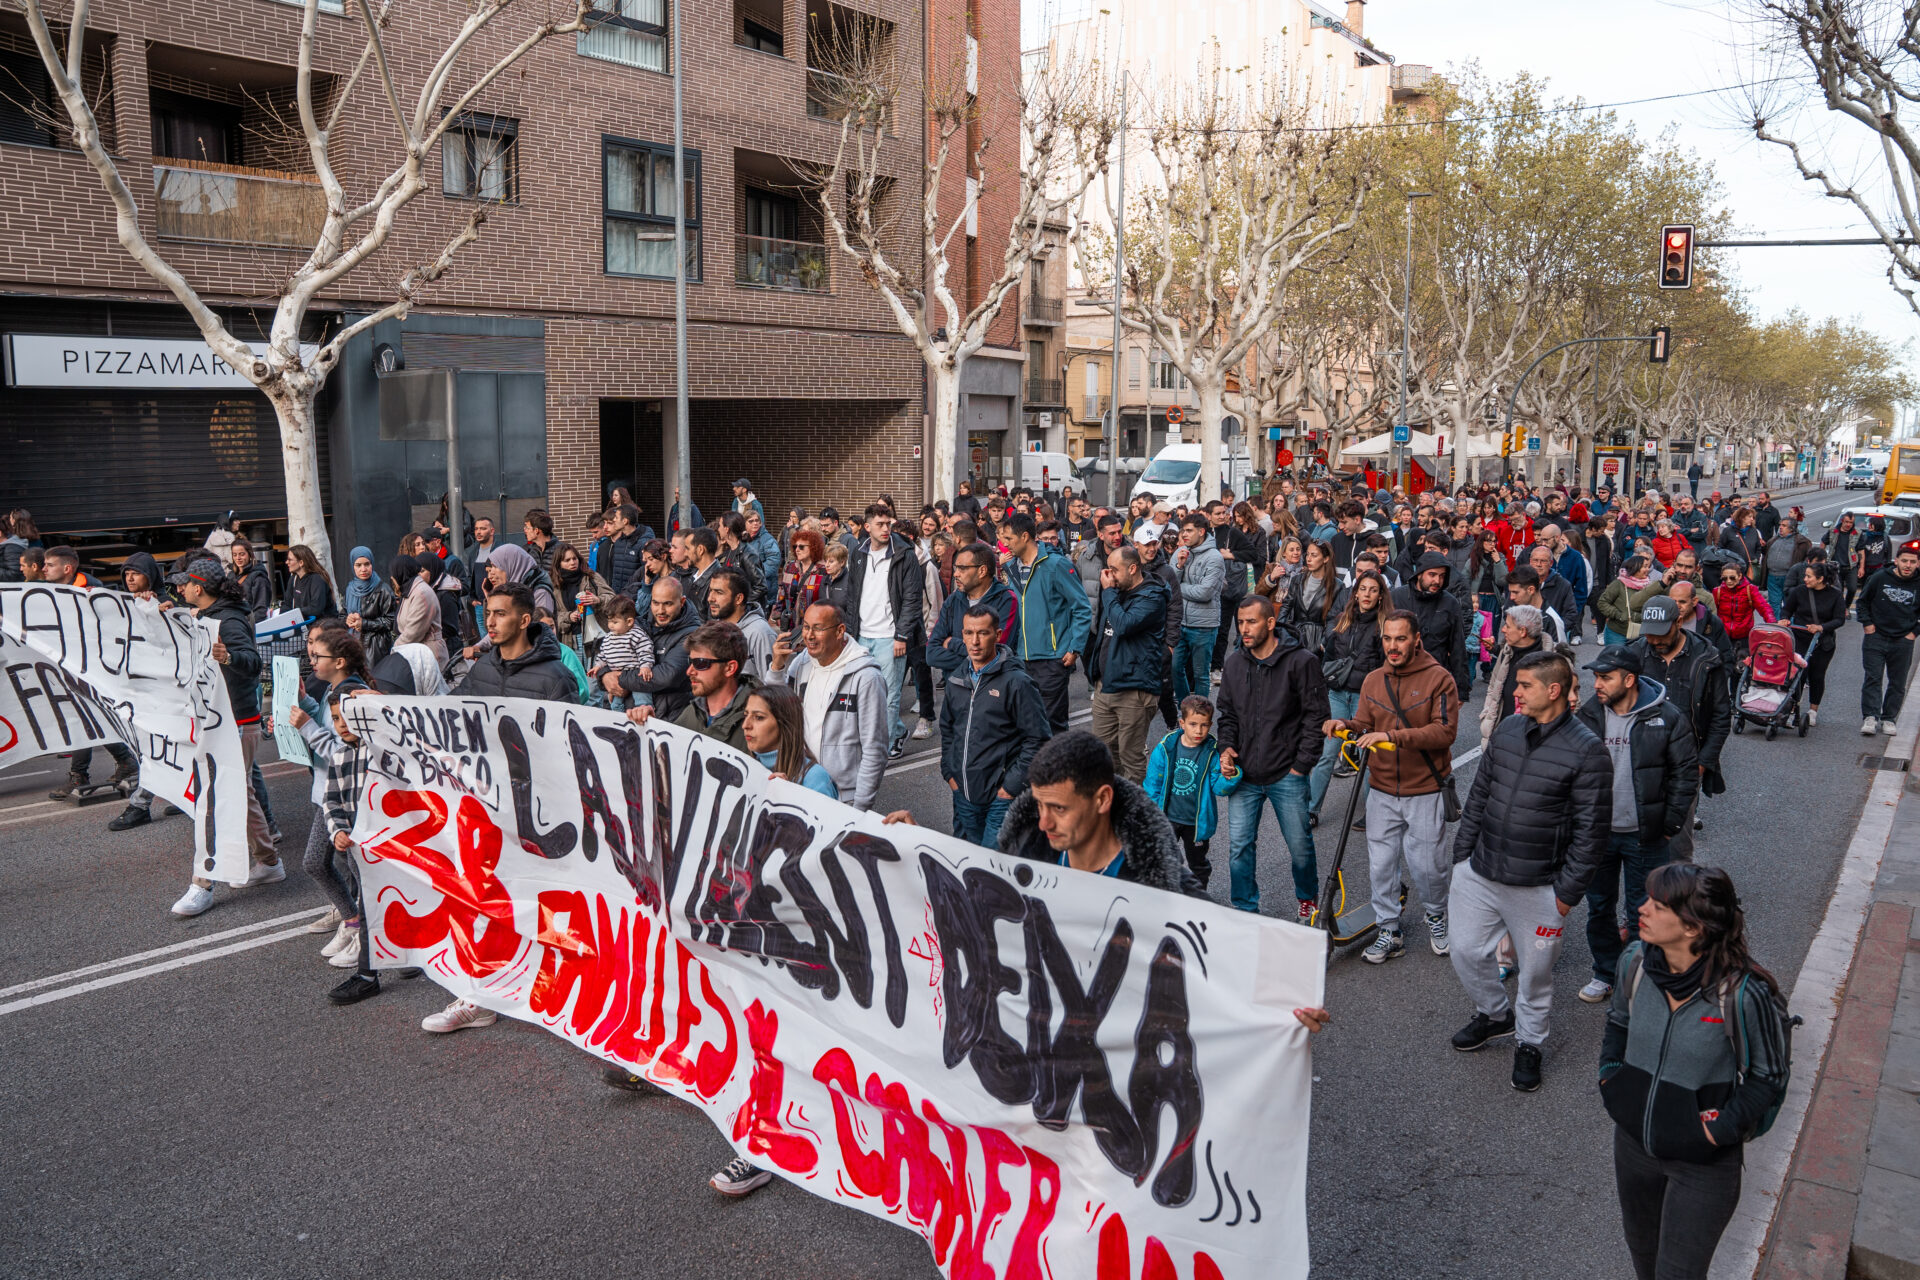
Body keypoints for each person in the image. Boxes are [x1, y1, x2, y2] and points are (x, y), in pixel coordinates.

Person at [1601, 864, 1791, 1280]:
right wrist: (1611, 1079)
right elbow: (1618, 1022)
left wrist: (1719, 1130)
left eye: (1657, 904)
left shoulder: (1743, 993)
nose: (1642, 908)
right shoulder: (1634, 961)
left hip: (1702, 1165)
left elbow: (1769, 1076)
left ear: (1691, 927)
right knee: (1645, 1265)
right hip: (1634, 1148)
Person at [1449, 651, 1611, 1091]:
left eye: (1524, 686)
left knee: (1536, 977)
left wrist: (1565, 895)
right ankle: (1496, 1015)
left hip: (1540, 888)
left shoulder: (1588, 750)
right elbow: (1479, 794)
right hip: (1480, 873)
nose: (1514, 693)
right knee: (1464, 951)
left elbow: (1591, 832)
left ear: (1553, 690)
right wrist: (1462, 857)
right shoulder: (1507, 729)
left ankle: (1530, 1042)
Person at [1331, 609, 1462, 963]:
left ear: (1416, 639)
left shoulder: (1439, 679)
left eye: (1400, 638)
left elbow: (1444, 732)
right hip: (1382, 789)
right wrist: (1344, 724)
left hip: (1425, 790)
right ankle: (1389, 929)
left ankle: (1436, 916)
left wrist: (1391, 736)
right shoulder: (1374, 679)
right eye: (1387, 638)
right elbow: (1363, 722)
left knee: (1428, 866)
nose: (1392, 646)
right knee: (1381, 865)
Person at [1575, 646, 1699, 1005]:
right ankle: (1605, 972)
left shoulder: (1666, 717)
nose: (1597, 684)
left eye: (1605, 677)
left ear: (1628, 680)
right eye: (1596, 676)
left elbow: (1684, 775)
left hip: (1646, 835)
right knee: (1599, 906)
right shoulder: (1589, 715)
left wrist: (1670, 824)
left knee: (1643, 910)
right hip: (1598, 834)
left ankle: (1641, 976)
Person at [164, 563, 284, 917]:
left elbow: (252, 663)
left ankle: (203, 881)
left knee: (216, 798)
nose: (179, 590)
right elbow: (175, 607)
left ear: (199, 588)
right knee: (239, 793)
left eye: (184, 585)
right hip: (222, 720)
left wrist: (229, 656)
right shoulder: (208, 613)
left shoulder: (228, 622)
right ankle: (268, 862)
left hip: (236, 721)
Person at [1218, 596, 1329, 921]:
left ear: (1270, 623)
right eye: (1240, 622)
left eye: (1251, 622)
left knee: (1300, 848)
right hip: (1245, 774)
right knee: (1239, 847)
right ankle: (1244, 908)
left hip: (1286, 774)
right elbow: (1227, 714)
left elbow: (1316, 717)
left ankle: (1307, 900)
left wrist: (1300, 767)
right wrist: (1226, 748)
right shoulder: (1235, 663)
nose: (1244, 629)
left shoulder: (1302, 662)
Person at [996, 730, 1200, 895]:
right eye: (1039, 805)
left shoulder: (1173, 893)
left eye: (1059, 808)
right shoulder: (1021, 853)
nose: (1044, 824)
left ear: (1102, 799)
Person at [939, 605, 1052, 847]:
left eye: (983, 633)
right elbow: (948, 729)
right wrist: (949, 773)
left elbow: (1038, 739)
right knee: (968, 862)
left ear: (998, 635)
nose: (975, 641)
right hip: (964, 796)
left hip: (1001, 799)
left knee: (995, 866)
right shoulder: (957, 679)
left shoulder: (1018, 683)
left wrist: (1010, 788)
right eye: (968, 633)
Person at [769, 603, 890, 810]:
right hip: (802, 790)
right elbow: (774, 711)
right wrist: (777, 667)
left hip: (844, 800)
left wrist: (859, 808)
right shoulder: (800, 665)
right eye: (806, 627)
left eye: (818, 628)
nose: (809, 635)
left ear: (840, 631)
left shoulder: (866, 677)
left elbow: (874, 749)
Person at [1307, 570, 1389, 824]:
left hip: (1367, 699)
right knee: (1327, 754)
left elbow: (1387, 666)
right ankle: (1311, 810)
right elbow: (1329, 657)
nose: (1367, 594)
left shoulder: (1385, 625)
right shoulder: (1342, 620)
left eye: (1373, 590)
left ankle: (1372, 814)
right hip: (1338, 695)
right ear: (1355, 592)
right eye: (1363, 589)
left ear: (1380, 596)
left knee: (1367, 758)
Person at [1086, 543, 1171, 784]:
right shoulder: (1117, 591)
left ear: (1133, 568)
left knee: (1130, 757)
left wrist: (1108, 593)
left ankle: (1135, 810)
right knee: (1104, 753)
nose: (1109, 575)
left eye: (1114, 569)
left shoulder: (1152, 596)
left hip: (1135, 688)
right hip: (1106, 685)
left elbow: (1123, 625)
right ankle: (1114, 804)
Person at [1001, 511, 1091, 734]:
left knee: (1052, 724)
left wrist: (1075, 647)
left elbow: (1081, 607)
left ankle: (1059, 767)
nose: (1005, 545)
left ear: (1024, 537)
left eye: (1009, 539)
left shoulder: (1056, 564)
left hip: (1052, 658)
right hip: (1021, 657)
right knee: (1026, 723)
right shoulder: (1012, 567)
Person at [847, 504, 923, 756]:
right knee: (863, 693)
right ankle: (897, 731)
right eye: (879, 524)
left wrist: (902, 635)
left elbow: (912, 598)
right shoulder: (857, 553)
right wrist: (849, 634)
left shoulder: (904, 554)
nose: (885, 529)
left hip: (890, 637)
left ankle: (887, 745)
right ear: (867, 527)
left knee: (890, 697)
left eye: (888, 523)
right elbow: (852, 596)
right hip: (861, 636)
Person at [1144, 695, 1239, 888]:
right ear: (1182, 723)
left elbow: (1218, 788)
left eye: (1204, 725)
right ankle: (1166, 895)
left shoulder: (1212, 752)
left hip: (1196, 823)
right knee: (1164, 858)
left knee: (1198, 864)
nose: (1199, 730)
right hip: (1167, 817)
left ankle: (1197, 897)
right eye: (1193, 724)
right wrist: (1153, 815)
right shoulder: (1166, 747)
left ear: (1210, 724)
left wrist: (1231, 775)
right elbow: (1152, 784)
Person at [629, 621, 758, 750]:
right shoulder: (692, 712)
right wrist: (653, 725)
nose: (689, 671)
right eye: (690, 661)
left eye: (700, 663)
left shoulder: (760, 720)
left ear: (730, 668)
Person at [451, 582, 579, 702]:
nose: (490, 622)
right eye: (488, 613)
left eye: (500, 614)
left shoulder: (557, 679)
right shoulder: (481, 668)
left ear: (524, 621)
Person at [1857, 538, 1920, 735]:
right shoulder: (1880, 577)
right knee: (1873, 678)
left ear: (1918, 563)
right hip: (1876, 636)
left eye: (1912, 562)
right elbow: (1862, 602)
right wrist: (1868, 624)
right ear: (1897, 560)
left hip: (1903, 640)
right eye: (1904, 561)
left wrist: (1913, 633)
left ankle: (1889, 718)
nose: (1908, 566)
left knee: (1898, 681)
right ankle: (1870, 717)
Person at [613, 578, 701, 719]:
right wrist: (604, 674)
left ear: (682, 602)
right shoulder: (639, 624)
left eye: (668, 604)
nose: (661, 611)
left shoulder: (692, 634)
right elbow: (609, 647)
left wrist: (619, 678)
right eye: (656, 603)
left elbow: (667, 675)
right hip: (629, 715)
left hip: (667, 718)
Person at [927, 541, 1016, 674]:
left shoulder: (1006, 599)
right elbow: (931, 654)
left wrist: (952, 643)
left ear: (982, 571)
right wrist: (975, 657)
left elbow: (997, 653)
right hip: (956, 688)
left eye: (962, 568)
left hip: (993, 687)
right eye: (956, 568)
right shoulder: (953, 600)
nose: (956, 574)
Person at [1394, 550, 1472, 700]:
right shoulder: (1397, 598)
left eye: (1442, 576)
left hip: (1434, 679)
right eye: (1432, 575)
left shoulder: (1449, 603)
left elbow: (1458, 648)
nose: (1437, 580)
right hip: (1399, 677)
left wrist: (1461, 690)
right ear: (1420, 573)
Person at [1170, 513, 1225, 704]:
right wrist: (1179, 565)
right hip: (1180, 623)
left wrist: (1179, 588)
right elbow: (1169, 584)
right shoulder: (1181, 552)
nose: (1184, 534)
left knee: (1201, 674)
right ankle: (1185, 708)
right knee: (1175, 668)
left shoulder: (1214, 558)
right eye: (1182, 530)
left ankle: (1200, 712)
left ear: (1201, 532)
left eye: (1189, 530)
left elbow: (1204, 593)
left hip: (1203, 625)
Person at [1783, 560, 1845, 726]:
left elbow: (1839, 619)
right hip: (1800, 638)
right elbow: (1787, 609)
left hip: (1822, 642)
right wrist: (1784, 619)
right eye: (1805, 575)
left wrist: (1821, 627)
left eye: (1809, 576)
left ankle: (1813, 710)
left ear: (1820, 579)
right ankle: (1791, 709)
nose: (1805, 579)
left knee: (1817, 675)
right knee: (1797, 675)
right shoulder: (1799, 591)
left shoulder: (1835, 595)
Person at [706, 567, 776, 681]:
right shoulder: (714, 628)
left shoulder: (760, 633)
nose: (710, 598)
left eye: (719, 592)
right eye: (711, 591)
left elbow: (771, 684)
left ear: (738, 598)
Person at [342, 547, 397, 664]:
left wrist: (364, 624)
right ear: (353, 566)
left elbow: (391, 621)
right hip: (352, 645)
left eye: (367, 564)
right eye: (358, 565)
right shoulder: (350, 588)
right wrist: (348, 619)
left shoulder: (383, 590)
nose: (363, 569)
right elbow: (343, 613)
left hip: (375, 648)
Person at [390, 554, 447, 665]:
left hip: (429, 656)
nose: (392, 579)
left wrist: (394, 650)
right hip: (418, 653)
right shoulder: (409, 591)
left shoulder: (421, 593)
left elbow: (413, 633)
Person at [1508, 564, 1570, 647]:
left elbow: (1558, 657)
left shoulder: (1552, 621)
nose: (1511, 597)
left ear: (1531, 590)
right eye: (1510, 592)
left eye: (1515, 592)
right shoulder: (1516, 611)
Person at [282, 544, 337, 621]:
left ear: (301, 563)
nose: (286, 562)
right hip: (303, 623)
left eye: (290, 560)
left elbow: (316, 608)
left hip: (324, 625)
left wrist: (294, 613)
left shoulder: (317, 579)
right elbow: (287, 604)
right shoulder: (293, 579)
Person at [230, 538, 274, 621]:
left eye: (242, 554)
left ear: (250, 554)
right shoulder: (231, 575)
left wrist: (245, 627)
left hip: (247, 626)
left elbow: (260, 611)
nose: (238, 558)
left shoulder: (259, 578)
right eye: (234, 555)